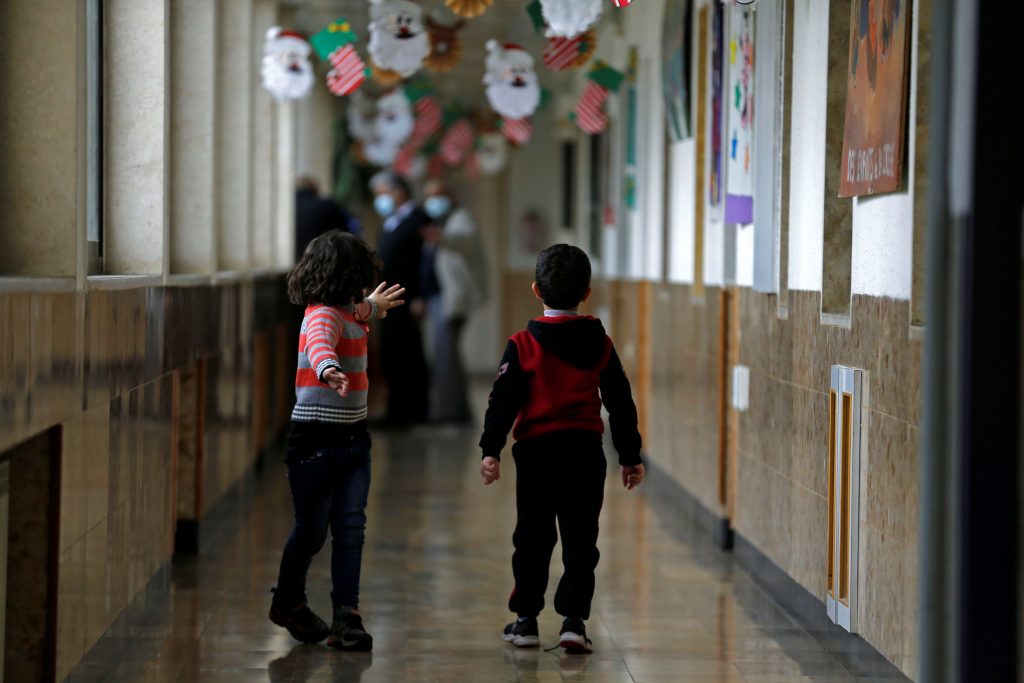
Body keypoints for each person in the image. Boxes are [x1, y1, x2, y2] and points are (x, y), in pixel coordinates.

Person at [478, 244, 646, 654]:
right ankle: (573, 622)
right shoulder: (600, 343)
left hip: (536, 455)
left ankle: (526, 621)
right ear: (586, 293)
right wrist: (629, 455)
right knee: (581, 539)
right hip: (585, 454)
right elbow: (620, 402)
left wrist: (491, 449)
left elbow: (503, 401)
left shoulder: (522, 345)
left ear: (536, 289)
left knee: (532, 538)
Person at [270, 230, 405, 651]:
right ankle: (288, 601)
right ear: (348, 274)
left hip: (353, 438)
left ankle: (347, 616)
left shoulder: (349, 310)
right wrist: (328, 370)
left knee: (350, 528)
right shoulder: (322, 315)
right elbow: (319, 345)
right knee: (311, 531)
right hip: (315, 440)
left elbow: (360, 311)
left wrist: (376, 308)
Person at [420, 179, 489, 424]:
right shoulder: (443, 222)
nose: (433, 202)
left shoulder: (461, 220)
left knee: (447, 354)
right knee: (445, 354)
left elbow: (462, 239)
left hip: (454, 299)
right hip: (441, 297)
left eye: (438, 196)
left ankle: (449, 412)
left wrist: (440, 237)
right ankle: (456, 410)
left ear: (450, 196)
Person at [370, 170, 430, 425]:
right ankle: (397, 408)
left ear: (399, 192)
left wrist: (422, 296)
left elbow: (426, 262)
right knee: (392, 352)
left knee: (408, 353)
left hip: (408, 297)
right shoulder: (392, 220)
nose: (380, 199)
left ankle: (412, 411)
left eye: (383, 193)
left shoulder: (419, 219)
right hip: (389, 296)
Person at [295, 176, 362, 262]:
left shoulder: (286, 210)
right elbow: (346, 232)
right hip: (323, 259)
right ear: (315, 189)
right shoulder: (328, 205)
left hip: (295, 262)